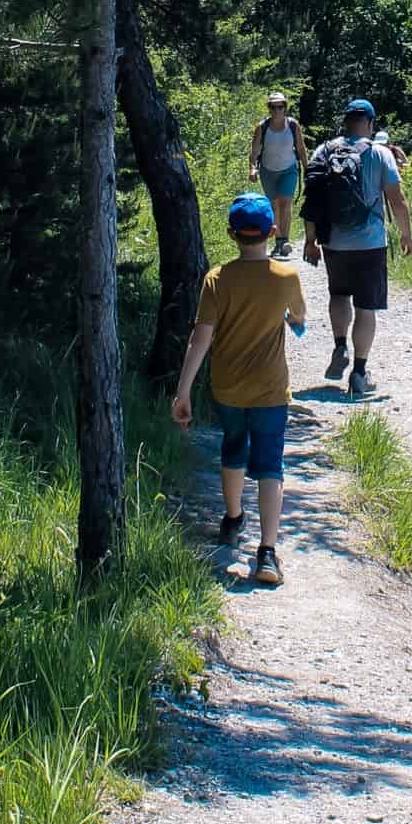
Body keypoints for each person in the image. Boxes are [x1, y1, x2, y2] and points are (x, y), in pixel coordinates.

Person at [171, 191, 307, 587]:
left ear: (232, 234)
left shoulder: (218, 279)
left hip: (227, 387)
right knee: (270, 465)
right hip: (270, 390)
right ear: (274, 231)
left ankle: (232, 520)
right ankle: (266, 552)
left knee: (233, 449)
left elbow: (200, 338)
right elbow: (299, 318)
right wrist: (289, 315)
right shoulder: (287, 277)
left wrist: (183, 392)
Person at [300, 97, 412, 401]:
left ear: (345, 121)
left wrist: (310, 241)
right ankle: (360, 374)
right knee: (366, 308)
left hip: (333, 241)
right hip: (370, 243)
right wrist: (406, 235)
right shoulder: (380, 153)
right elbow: (397, 200)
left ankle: (339, 347)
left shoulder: (324, 150)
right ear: (370, 124)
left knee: (338, 295)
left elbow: (311, 201)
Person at [247, 90, 308, 257]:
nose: (277, 110)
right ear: (269, 108)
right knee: (274, 205)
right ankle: (278, 242)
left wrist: (308, 170)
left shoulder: (293, 125)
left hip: (289, 170)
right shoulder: (262, 127)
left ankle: (284, 241)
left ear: (285, 108)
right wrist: (252, 168)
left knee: (285, 203)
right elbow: (254, 152)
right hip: (268, 171)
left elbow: (301, 150)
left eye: (280, 107)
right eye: (273, 107)